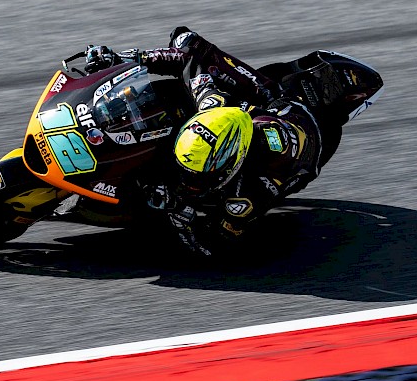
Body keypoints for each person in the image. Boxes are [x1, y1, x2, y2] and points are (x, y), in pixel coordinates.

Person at [85, 27, 334, 258]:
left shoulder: (252, 191)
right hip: (268, 105)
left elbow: (215, 245)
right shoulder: (210, 102)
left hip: (301, 143)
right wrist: (125, 59)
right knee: (187, 41)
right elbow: (186, 60)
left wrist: (179, 209)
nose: (186, 180)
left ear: (232, 166)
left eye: (194, 177)